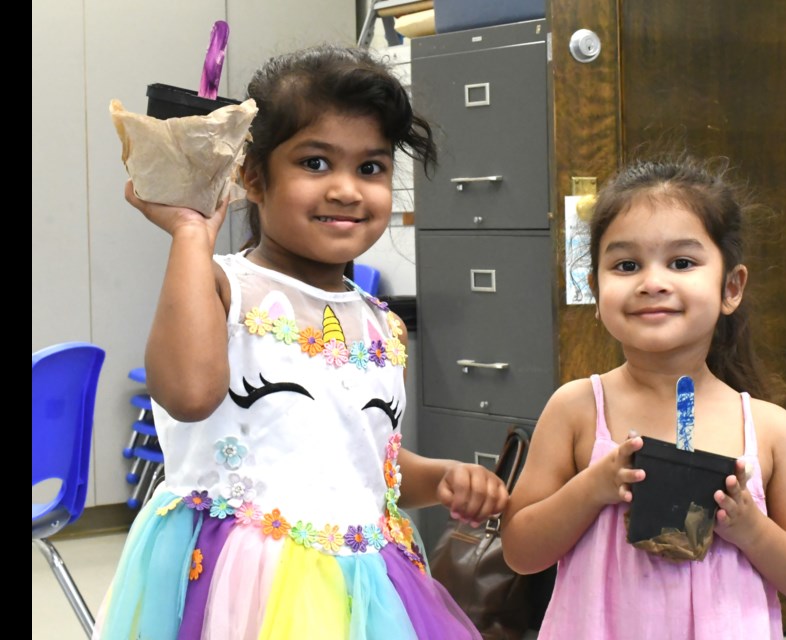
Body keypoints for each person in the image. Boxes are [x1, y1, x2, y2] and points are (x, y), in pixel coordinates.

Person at [94, 44, 508, 640]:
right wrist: (190, 234)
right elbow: (187, 394)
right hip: (243, 590)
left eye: (371, 167)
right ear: (252, 176)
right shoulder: (221, 286)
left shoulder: (383, 326)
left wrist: (439, 478)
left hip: (362, 592)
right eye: (315, 163)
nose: (346, 189)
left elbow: (365, 461)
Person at [500, 152, 786, 639]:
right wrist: (592, 488)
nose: (652, 283)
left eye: (682, 262)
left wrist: (750, 528)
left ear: (731, 287)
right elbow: (521, 552)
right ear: (594, 288)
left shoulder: (768, 428)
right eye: (626, 264)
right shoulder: (576, 409)